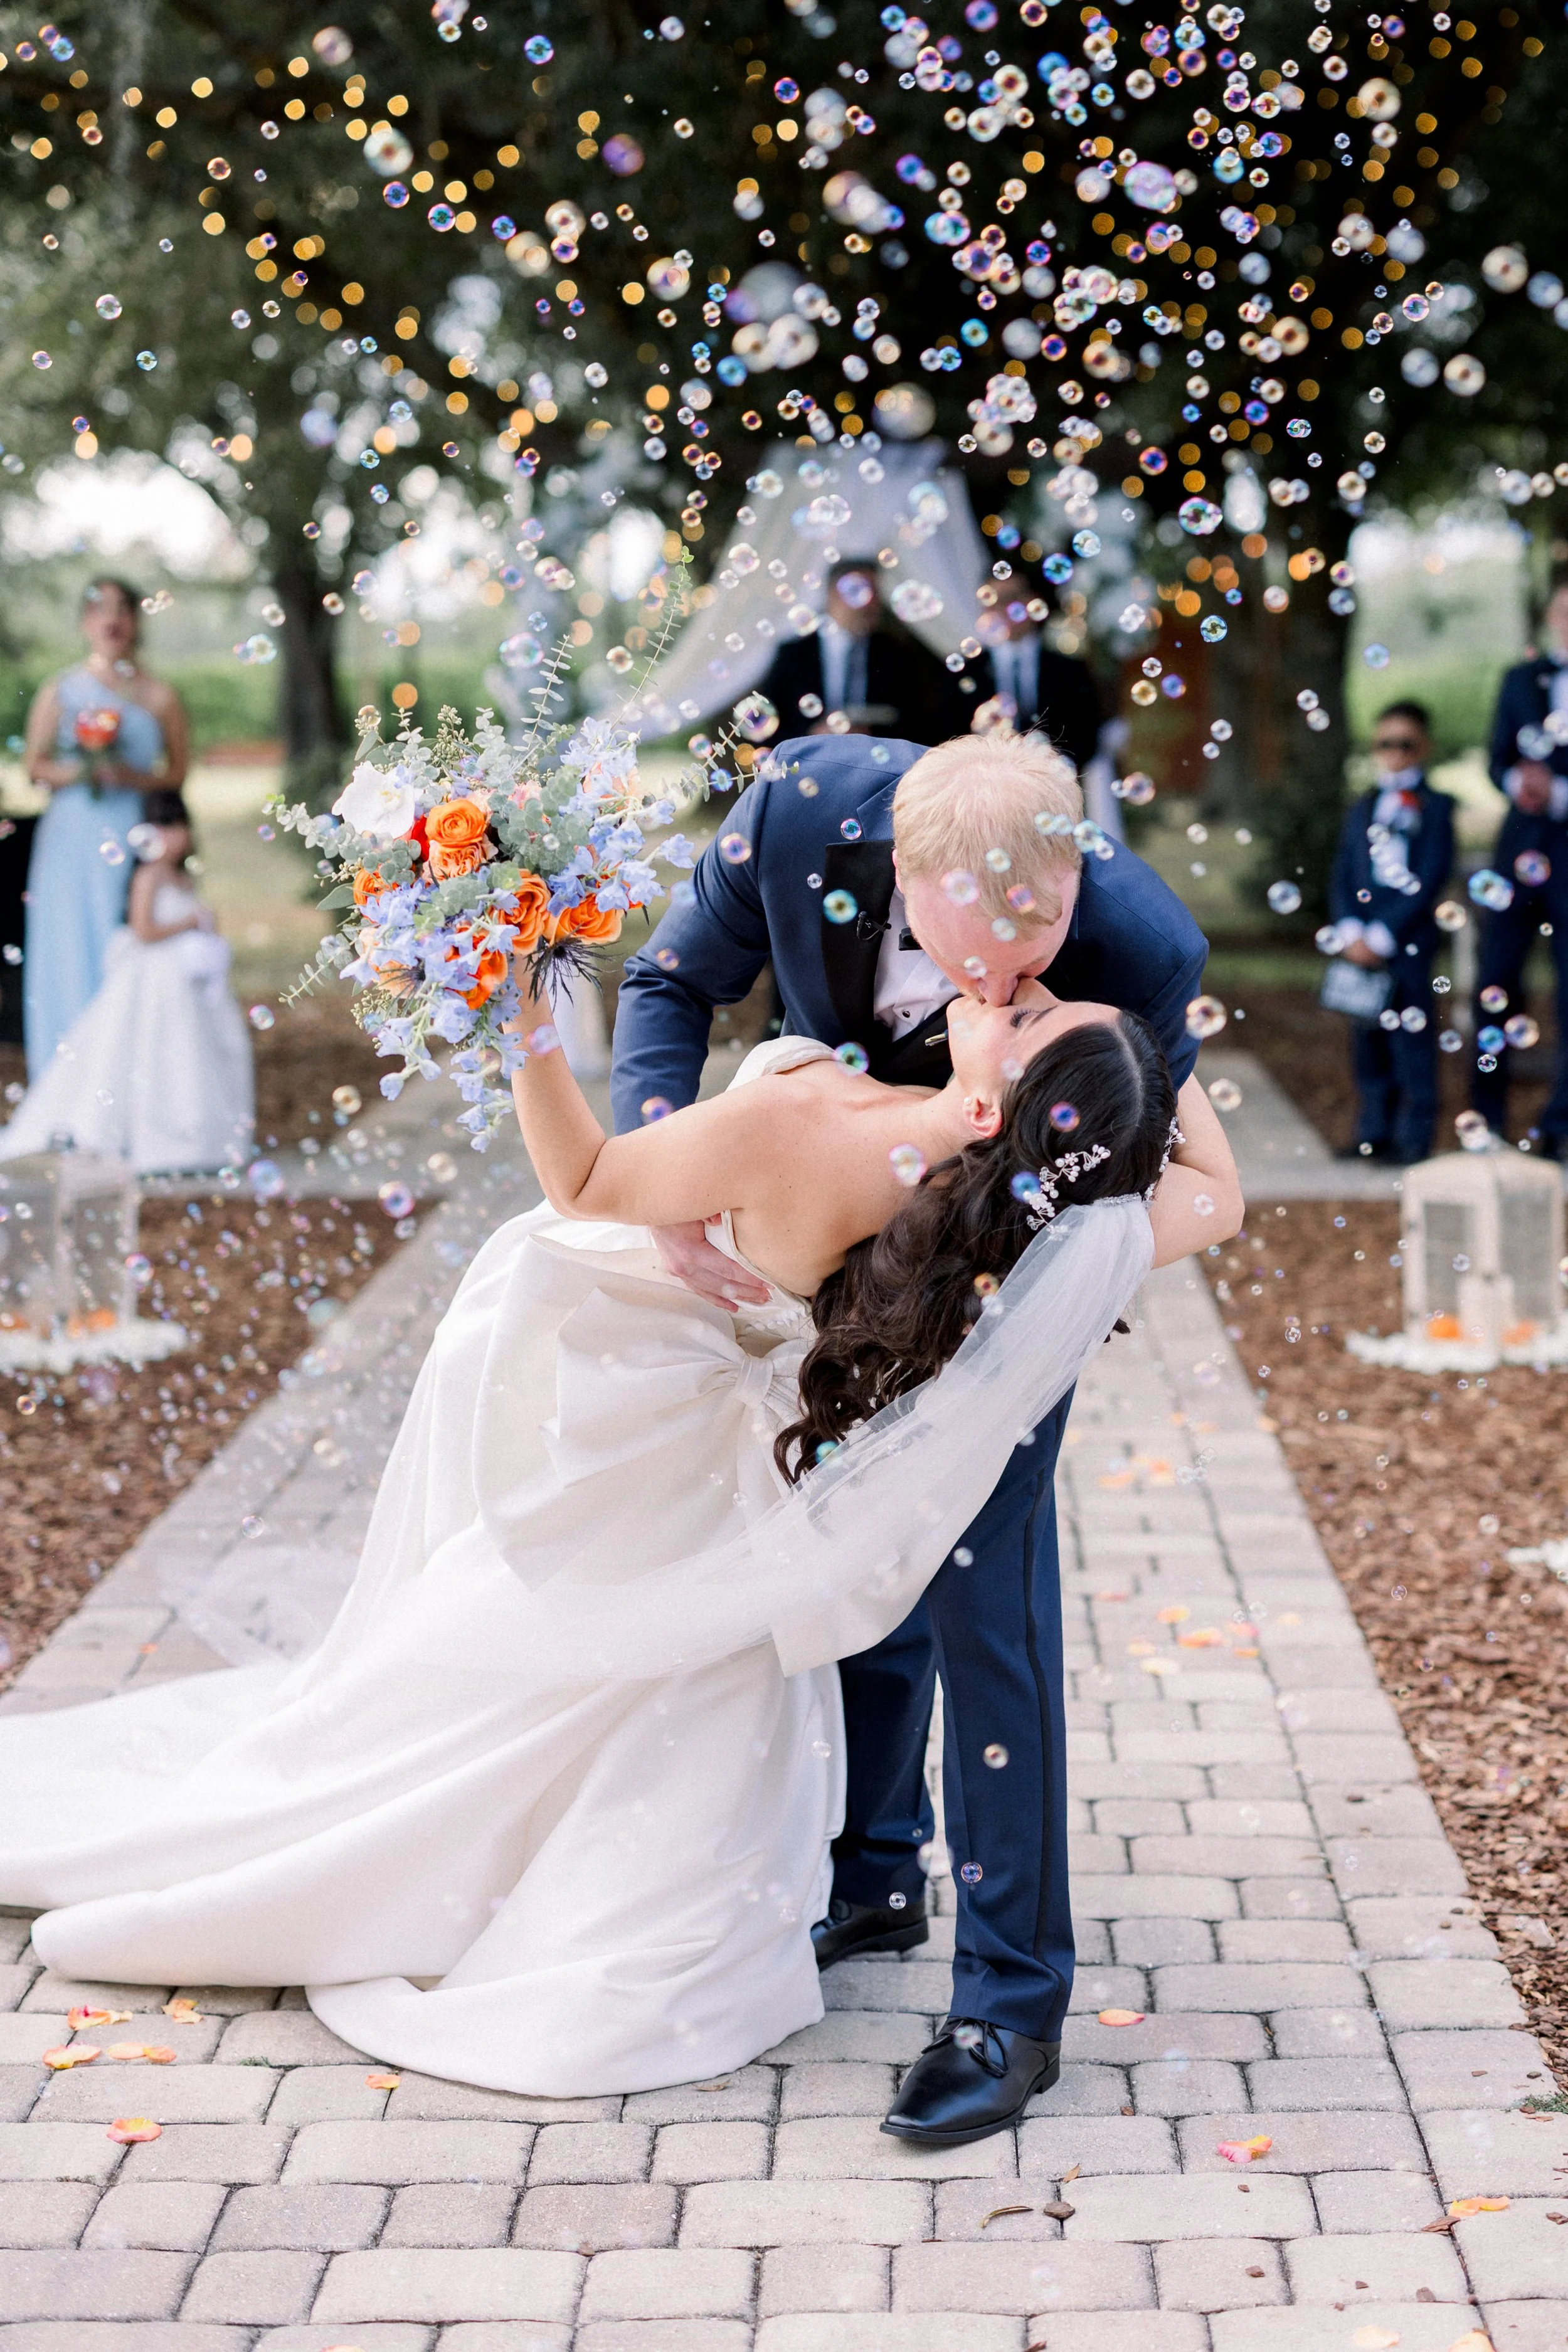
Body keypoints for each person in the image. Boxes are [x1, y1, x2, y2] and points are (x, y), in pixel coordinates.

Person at [0, 963, 1241, 2100]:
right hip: (727, 1469)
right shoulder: (1052, 1231)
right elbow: (1217, 1195)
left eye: (1027, 1018)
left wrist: (516, 999)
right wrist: (1141, 1039)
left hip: (635, 1428)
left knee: (492, 1674)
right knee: (607, 1704)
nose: (1018, 981)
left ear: (988, 1115)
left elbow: (583, 1181)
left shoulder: (803, 1131)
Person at [613, 730, 1212, 2144]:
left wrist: (1009, 1295)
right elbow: (665, 979)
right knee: (846, 1534)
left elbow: (1150, 1185)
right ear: (901, 872)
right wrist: (665, 1175)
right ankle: (872, 1874)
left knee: (981, 1592)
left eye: (1039, 933)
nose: (1005, 974)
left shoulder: (1143, 950)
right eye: (971, 939)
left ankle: (1010, 2006)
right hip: (822, 1235)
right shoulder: (793, 816)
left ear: (1079, 877)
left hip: (1014, 1266)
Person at [0, 794, 253, 1175]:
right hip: (153, 982)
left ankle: (192, 1140)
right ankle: (148, 1140)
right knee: (147, 1054)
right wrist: (189, 925)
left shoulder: (183, 877)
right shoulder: (147, 876)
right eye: (165, 828)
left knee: (185, 1057)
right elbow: (143, 930)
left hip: (186, 986)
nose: (174, 837)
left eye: (179, 827)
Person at [21, 578, 189, 1075]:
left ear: (137, 621)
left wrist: (131, 776)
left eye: (123, 609)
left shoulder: (161, 696)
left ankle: (122, 1076)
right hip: (69, 837)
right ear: (85, 622)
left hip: (131, 829)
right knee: (67, 946)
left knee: (123, 942)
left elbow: (177, 772)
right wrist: (84, 769)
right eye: (99, 609)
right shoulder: (62, 690)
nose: (111, 619)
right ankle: (62, 1075)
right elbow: (36, 767)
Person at [1326, 701, 1454, 1166]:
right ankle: (1372, 1131)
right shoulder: (1363, 805)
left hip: (1408, 940)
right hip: (1361, 936)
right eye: (1385, 744)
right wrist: (1350, 927)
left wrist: (1384, 933)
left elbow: (1431, 873)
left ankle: (1414, 1137)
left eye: (1405, 744)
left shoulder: (1437, 807)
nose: (1394, 753)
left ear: (1424, 748)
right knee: (1368, 1038)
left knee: (1412, 1040)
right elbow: (1343, 869)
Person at [1472, 580, 1568, 1153]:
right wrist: (1516, 782)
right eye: (1562, 610)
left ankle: (1561, 1127)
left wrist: (1554, 794)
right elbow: (1497, 759)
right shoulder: (1519, 679)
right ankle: (1486, 1120)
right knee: (1496, 980)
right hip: (1516, 857)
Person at [757, 559, 958, 745]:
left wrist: (870, 734)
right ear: (832, 594)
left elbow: (921, 722)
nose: (870, 603)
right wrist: (811, 737)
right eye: (858, 591)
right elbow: (767, 724)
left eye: (875, 592)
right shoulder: (793, 654)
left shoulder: (897, 654)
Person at [963, 575, 1103, 775]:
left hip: (1052, 785)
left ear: (1034, 601)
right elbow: (950, 734)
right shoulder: (967, 673)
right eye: (996, 600)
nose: (1007, 608)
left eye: (1014, 597)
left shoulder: (1070, 669)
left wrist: (1049, 771)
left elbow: (1086, 736)